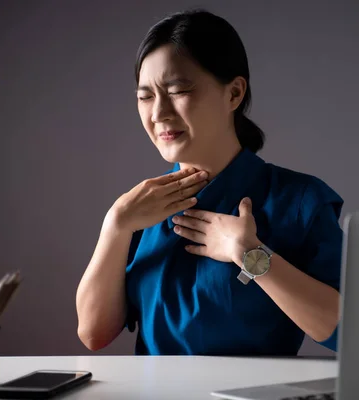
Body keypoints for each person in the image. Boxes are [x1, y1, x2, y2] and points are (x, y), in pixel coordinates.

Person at [75, 9, 343, 356]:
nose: (158, 113)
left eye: (178, 90)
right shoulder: (140, 209)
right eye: (145, 96)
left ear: (234, 93)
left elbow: (343, 329)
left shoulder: (300, 201)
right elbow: (94, 333)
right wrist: (115, 224)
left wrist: (250, 255)